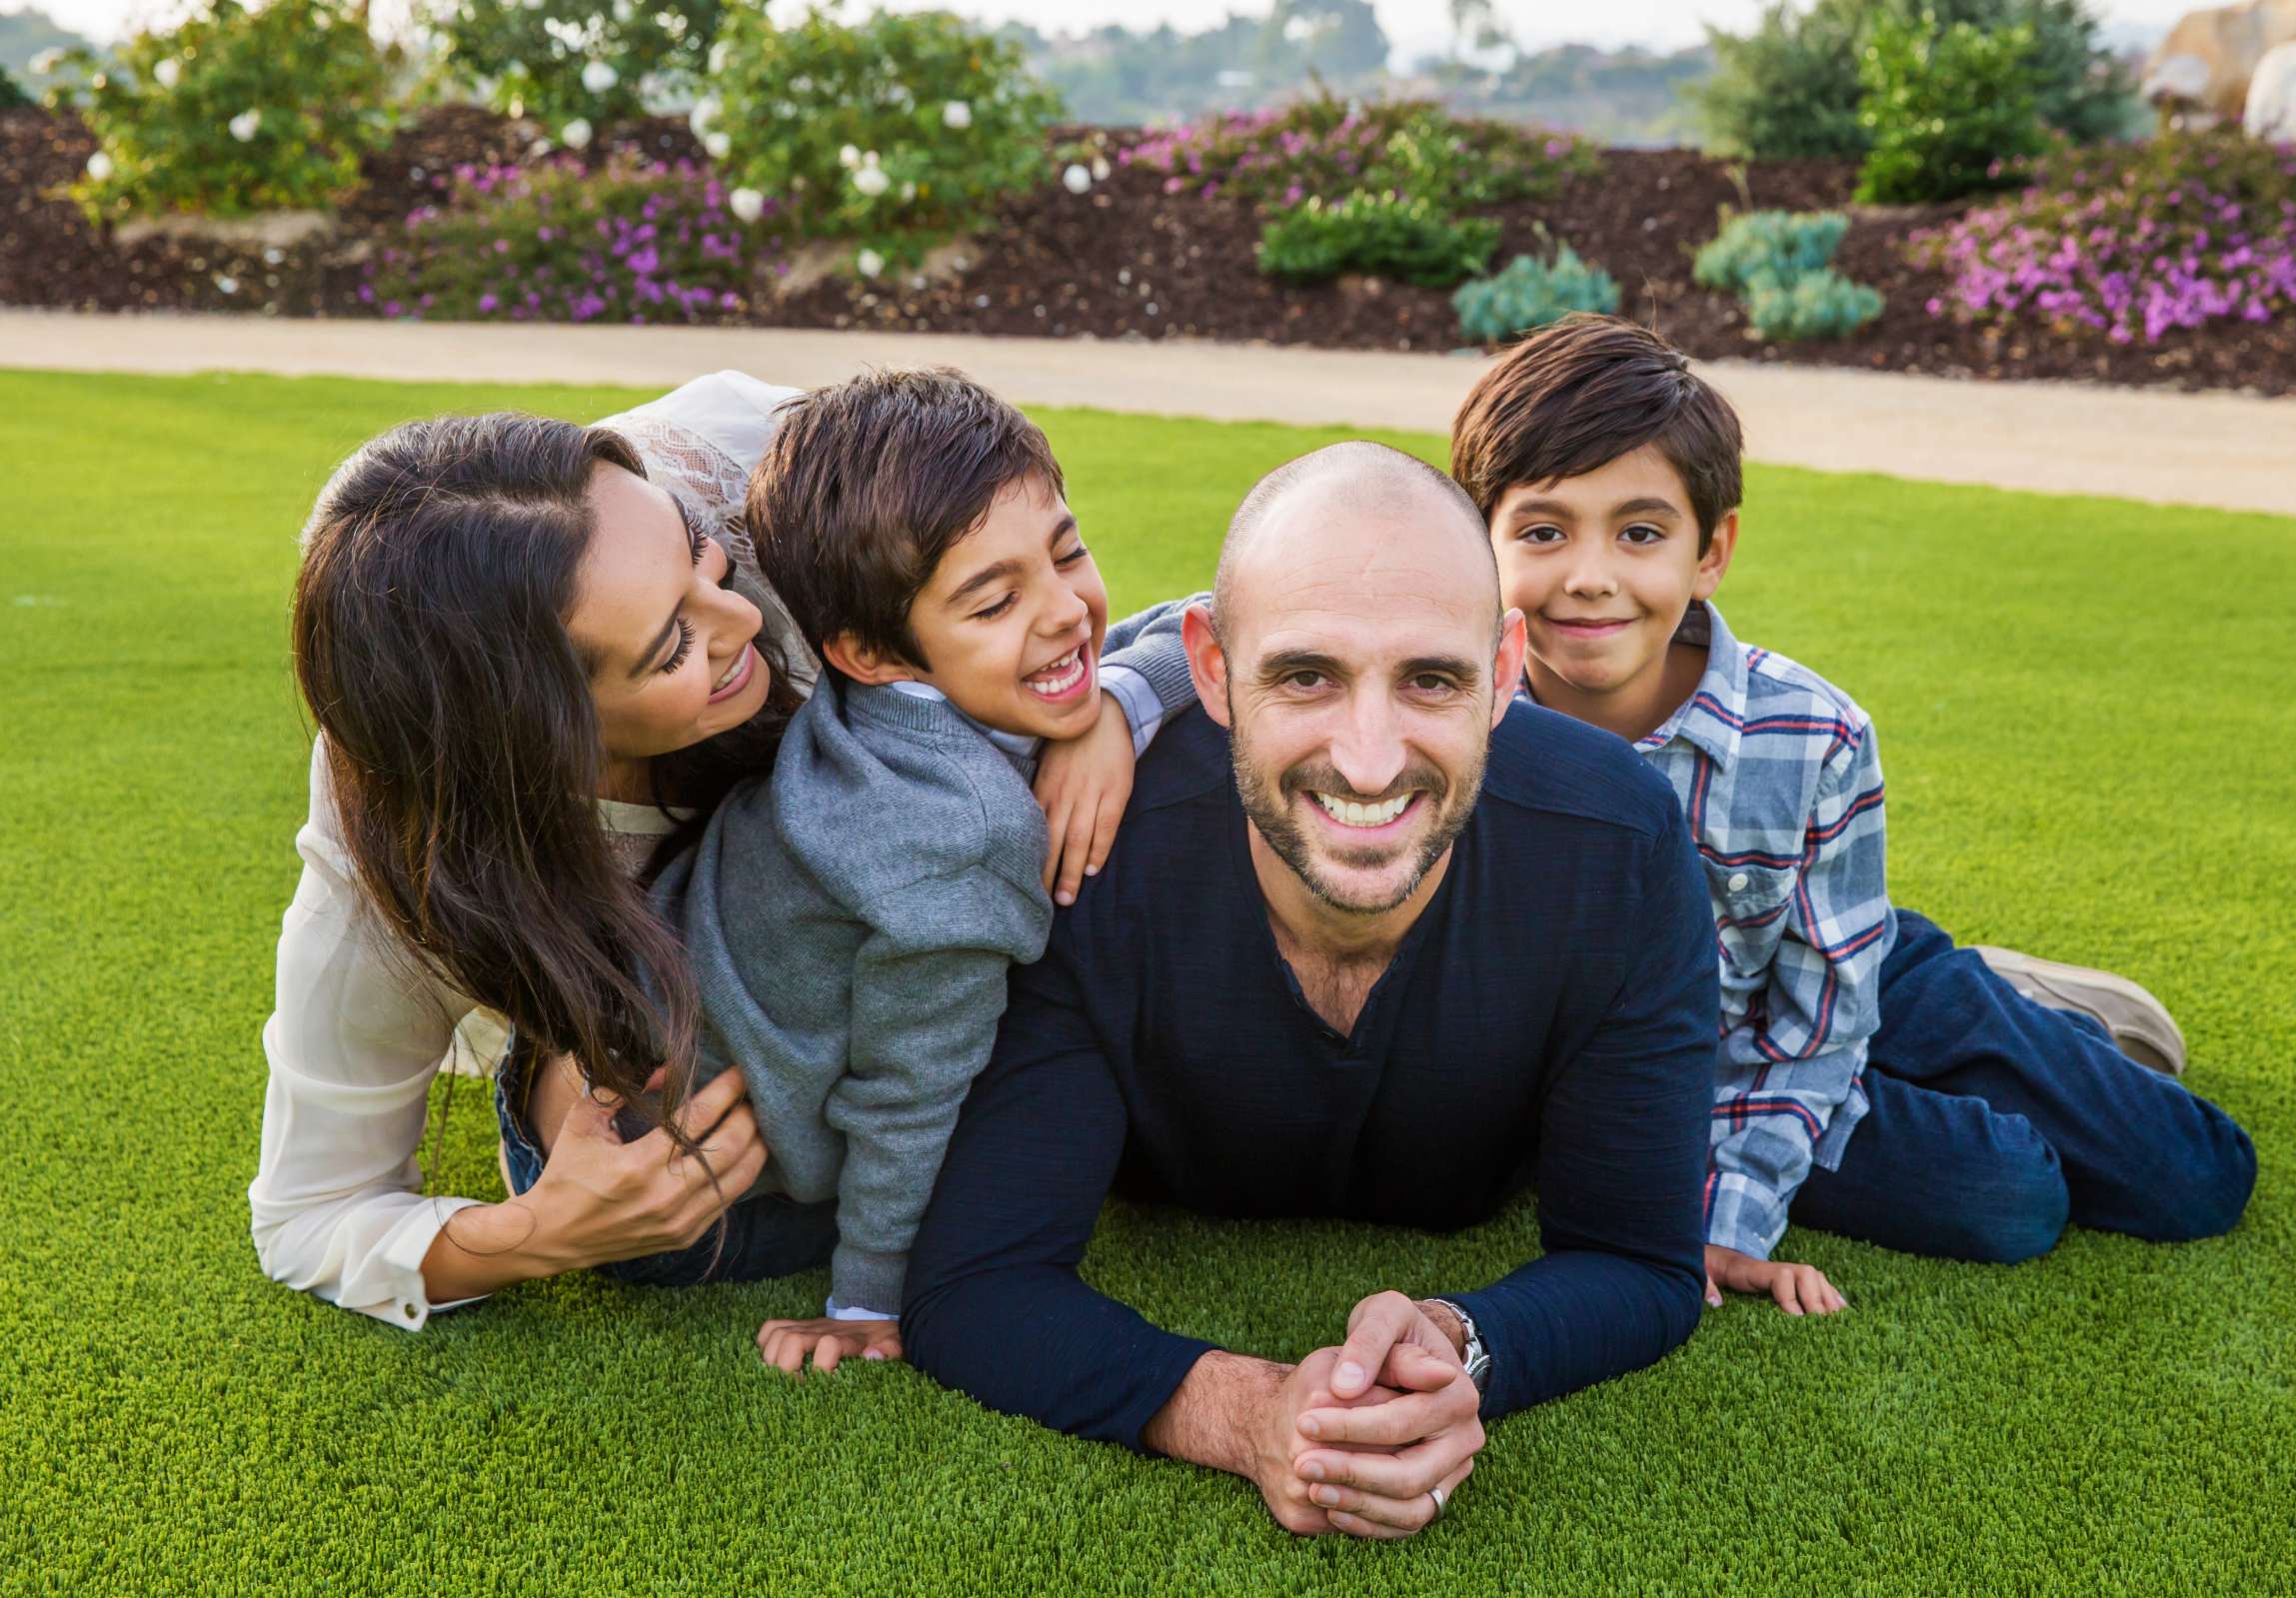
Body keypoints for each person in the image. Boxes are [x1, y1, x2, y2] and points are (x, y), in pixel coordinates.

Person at [902, 442, 1719, 1540]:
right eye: (1305, 677)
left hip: (1733, 966)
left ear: (1507, 672)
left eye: (1432, 679)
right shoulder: (1085, 859)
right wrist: (1246, 1414)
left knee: (1960, 1152)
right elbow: (976, 1286)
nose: (1371, 761)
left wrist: (1457, 1340)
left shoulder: (1615, 842)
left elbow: (1639, 1260)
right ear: (1209, 668)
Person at [251, 371, 1148, 1328]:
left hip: (887, 941)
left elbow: (1029, 576)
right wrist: (541, 1232)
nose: (747, 619)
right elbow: (309, 1216)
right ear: (542, 736)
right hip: (724, 1062)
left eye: (701, 556)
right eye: (674, 645)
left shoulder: (749, 452)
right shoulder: (403, 850)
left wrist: (1112, 708)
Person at [1447, 315, 2257, 1313]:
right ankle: (2036, 1042)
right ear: (1473, 542)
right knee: (2014, 1199)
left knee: (2199, 1176)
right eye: (1542, 529)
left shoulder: (1813, 732)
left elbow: (1822, 1018)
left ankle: (2018, 1007)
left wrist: (1725, 1216)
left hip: (1838, 964)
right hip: (1682, 1059)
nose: (1590, 574)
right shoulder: (1442, 731)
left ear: (1712, 550)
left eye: (1641, 532)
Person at [629, 368, 1199, 1373]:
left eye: (1067, 552)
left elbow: (1214, 619)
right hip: (683, 1197)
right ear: (870, 653)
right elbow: (910, 1091)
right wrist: (866, 1297)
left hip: (647, 1009)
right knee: (1017, 1128)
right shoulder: (950, 830)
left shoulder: (931, 693)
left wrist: (1119, 702)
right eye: (996, 601)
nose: (1068, 611)